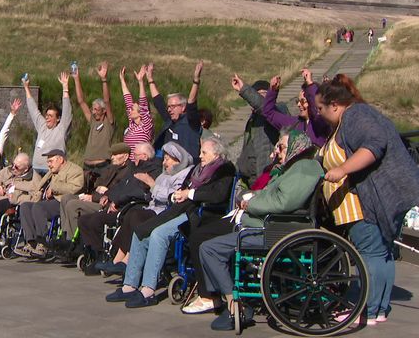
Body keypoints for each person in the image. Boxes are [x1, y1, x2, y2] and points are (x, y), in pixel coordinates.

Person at [316, 74, 419, 325]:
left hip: (364, 203)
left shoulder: (355, 116)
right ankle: (377, 309)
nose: (318, 113)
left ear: (335, 105)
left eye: (320, 108)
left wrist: (342, 170)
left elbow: (375, 144)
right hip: (369, 201)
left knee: (370, 254)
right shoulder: (355, 115)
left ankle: (368, 310)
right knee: (381, 254)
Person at [198, 130, 323, 330]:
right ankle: (229, 298)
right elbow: (273, 196)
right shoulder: (295, 168)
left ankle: (233, 306)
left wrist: (251, 203)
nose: (278, 151)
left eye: (281, 147)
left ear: (295, 147)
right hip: (270, 225)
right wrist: (251, 197)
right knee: (210, 241)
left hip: (278, 230)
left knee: (209, 248)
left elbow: (282, 202)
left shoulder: (304, 169)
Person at [105, 137, 234, 307]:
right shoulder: (198, 170)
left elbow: (217, 195)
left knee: (158, 234)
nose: (200, 156)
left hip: (202, 215)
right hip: (182, 208)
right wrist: (177, 195)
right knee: (141, 230)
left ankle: (148, 290)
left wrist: (190, 194)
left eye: (204, 152)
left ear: (217, 154)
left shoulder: (225, 169)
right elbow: (183, 189)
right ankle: (130, 284)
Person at [77, 142, 163, 273]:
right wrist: (108, 195)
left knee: (96, 220)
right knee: (83, 220)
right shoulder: (134, 169)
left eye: (136, 155)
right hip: (120, 204)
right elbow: (121, 186)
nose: (133, 157)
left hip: (132, 206)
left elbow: (137, 192)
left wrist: (117, 201)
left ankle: (106, 257)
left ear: (144, 156)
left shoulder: (152, 171)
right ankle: (97, 254)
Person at [57, 142, 133, 247]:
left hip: (106, 204)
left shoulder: (129, 171)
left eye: (115, 154)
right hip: (96, 197)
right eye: (112, 155)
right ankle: (65, 234)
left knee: (73, 205)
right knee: (66, 198)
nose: (112, 157)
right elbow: (98, 185)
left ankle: (72, 242)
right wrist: (96, 192)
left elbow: (119, 191)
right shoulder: (111, 168)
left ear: (125, 156)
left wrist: (99, 194)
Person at [16, 150, 83, 258]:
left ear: (60, 160)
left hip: (63, 202)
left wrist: (54, 188)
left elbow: (75, 188)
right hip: (48, 200)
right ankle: (31, 242)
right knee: (25, 206)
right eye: (48, 162)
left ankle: (43, 243)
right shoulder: (52, 171)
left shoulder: (75, 170)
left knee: (39, 207)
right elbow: (39, 185)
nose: (48, 164)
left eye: (51, 161)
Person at [231, 75, 282, 186]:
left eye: (265, 95)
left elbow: (263, 106)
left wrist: (244, 89)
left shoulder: (277, 113)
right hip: (249, 179)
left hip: (265, 179)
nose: (261, 99)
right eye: (258, 95)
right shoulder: (252, 119)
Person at [262, 68, 330, 147]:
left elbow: (318, 109)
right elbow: (268, 113)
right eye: (298, 101)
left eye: (303, 101)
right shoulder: (294, 123)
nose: (298, 104)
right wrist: (273, 91)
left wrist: (310, 84)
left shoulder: (321, 124)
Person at [148, 61, 202, 160]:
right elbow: (158, 102)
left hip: (187, 166)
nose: (169, 110)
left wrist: (196, 81)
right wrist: (150, 80)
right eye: (168, 107)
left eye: (173, 106)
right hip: (168, 165)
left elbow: (191, 103)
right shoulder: (170, 120)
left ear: (183, 107)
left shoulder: (191, 121)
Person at [23, 72, 72, 175]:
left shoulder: (61, 129)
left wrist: (65, 88)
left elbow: (67, 111)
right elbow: (33, 110)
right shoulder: (42, 126)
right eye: (46, 115)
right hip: (36, 169)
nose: (47, 118)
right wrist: (26, 87)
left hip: (52, 171)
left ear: (58, 118)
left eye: (50, 116)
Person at [71, 61, 116, 173]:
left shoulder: (109, 122)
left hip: (102, 167)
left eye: (96, 109)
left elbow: (107, 100)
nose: (93, 111)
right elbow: (81, 101)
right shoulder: (92, 121)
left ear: (104, 110)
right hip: (87, 166)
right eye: (92, 109)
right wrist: (76, 79)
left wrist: (104, 80)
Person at [119, 65, 154, 160]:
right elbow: (128, 100)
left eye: (133, 109)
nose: (130, 110)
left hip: (141, 164)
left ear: (140, 113)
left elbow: (143, 104)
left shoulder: (146, 126)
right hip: (130, 165)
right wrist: (122, 80)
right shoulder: (132, 125)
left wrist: (141, 82)